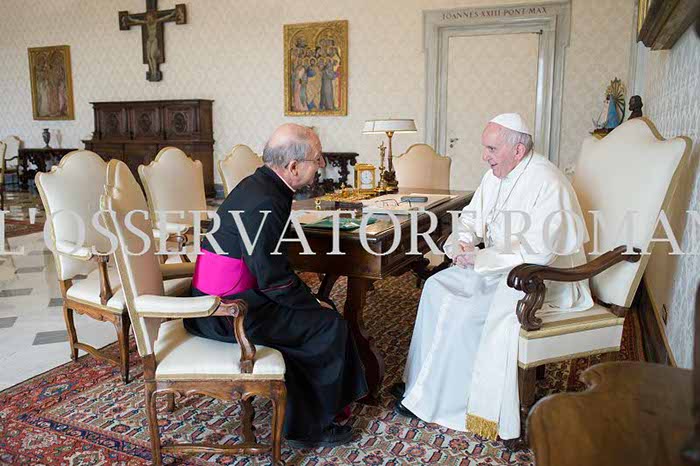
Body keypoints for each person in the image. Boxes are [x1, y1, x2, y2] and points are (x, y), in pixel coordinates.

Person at [394, 113, 593, 440]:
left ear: (518, 150)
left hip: (543, 280)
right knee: (435, 287)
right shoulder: (496, 175)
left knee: (464, 311)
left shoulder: (548, 182)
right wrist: (462, 242)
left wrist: (480, 258)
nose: (484, 156)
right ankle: (420, 385)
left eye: (491, 149)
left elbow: (541, 253)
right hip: (501, 267)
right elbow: (471, 219)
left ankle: (455, 402)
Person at [184, 124, 368, 448]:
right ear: (293, 166)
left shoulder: (262, 185)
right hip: (224, 312)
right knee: (327, 324)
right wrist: (310, 302)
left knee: (320, 314)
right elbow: (271, 278)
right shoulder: (266, 200)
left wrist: (308, 300)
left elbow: (266, 266)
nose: (321, 165)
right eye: (317, 158)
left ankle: (307, 408)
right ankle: (306, 430)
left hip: (230, 296)